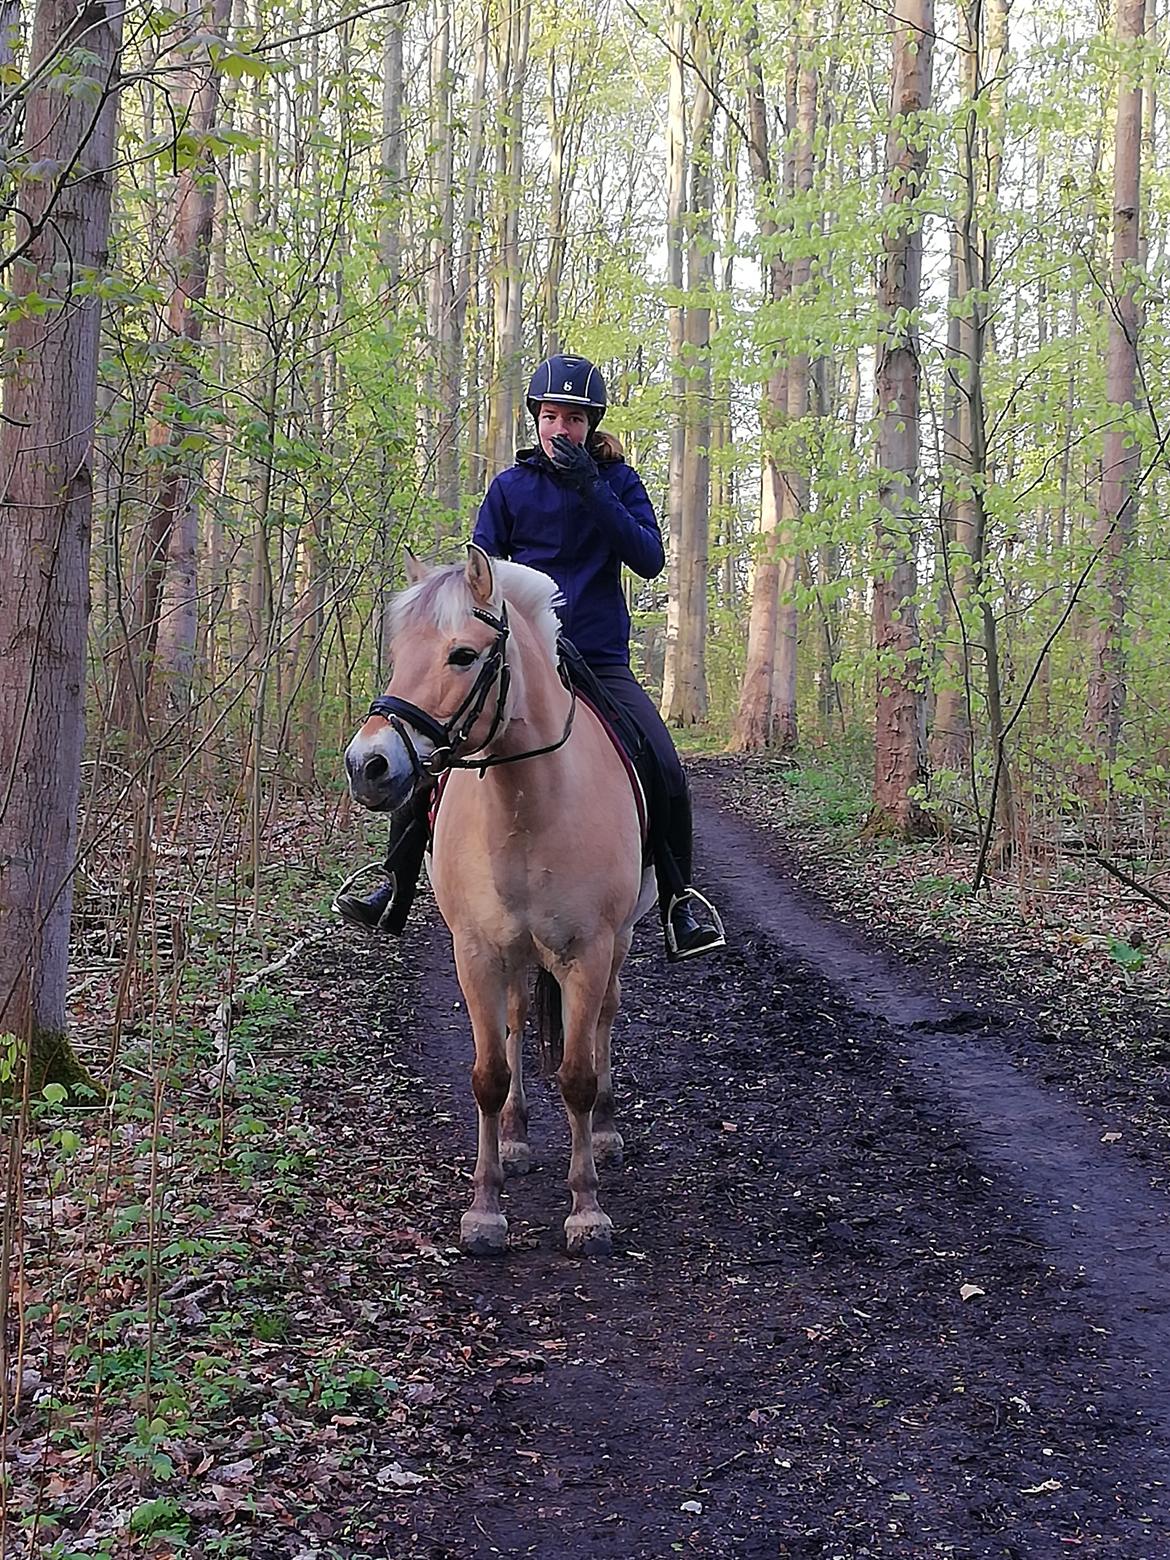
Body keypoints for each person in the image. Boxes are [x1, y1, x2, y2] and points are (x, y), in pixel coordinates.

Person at [335, 352, 724, 962]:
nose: (560, 428)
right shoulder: (511, 488)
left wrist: (592, 490)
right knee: (433, 746)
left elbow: (648, 560)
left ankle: (680, 901)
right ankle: (395, 883)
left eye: (574, 418)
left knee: (665, 762)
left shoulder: (619, 484)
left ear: (591, 425)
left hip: (596, 658)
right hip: (516, 661)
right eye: (550, 416)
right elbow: (476, 577)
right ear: (535, 419)